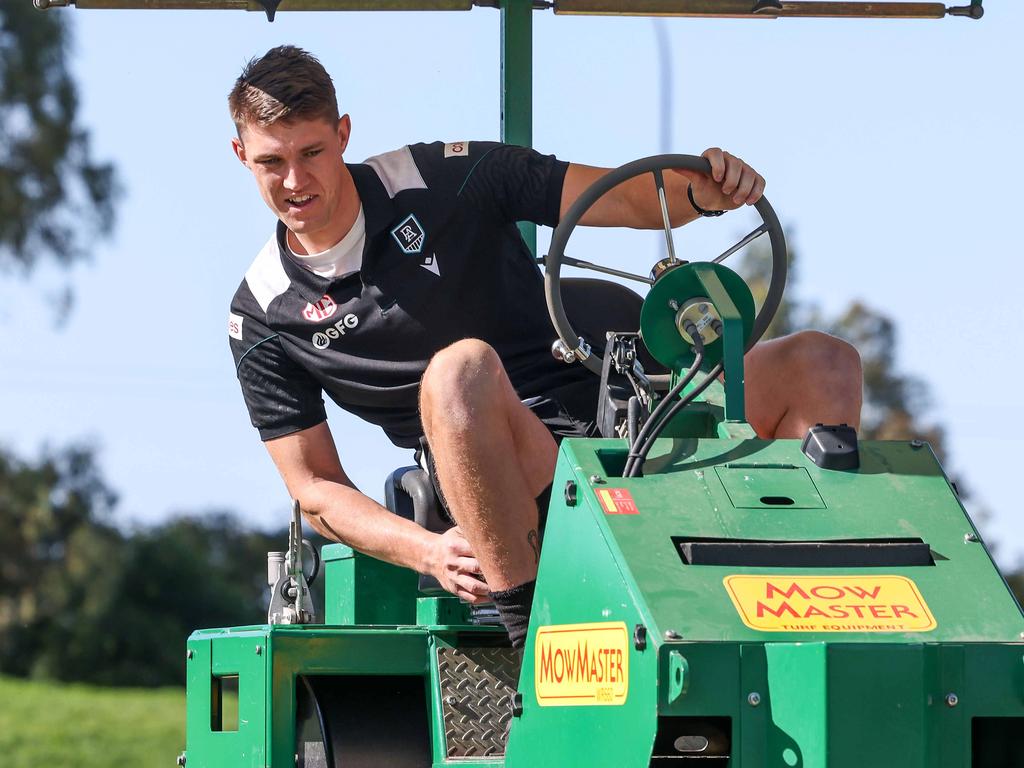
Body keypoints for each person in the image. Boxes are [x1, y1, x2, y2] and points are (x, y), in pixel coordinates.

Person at [226, 46, 862, 647]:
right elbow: (314, 485)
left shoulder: (442, 176)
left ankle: (802, 614)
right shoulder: (262, 313)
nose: (295, 180)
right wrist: (425, 550)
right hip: (506, 470)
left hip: (629, 420)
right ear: (240, 156)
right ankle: (531, 639)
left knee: (823, 361)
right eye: (271, 163)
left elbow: (614, 193)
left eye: (311, 152)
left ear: (343, 134)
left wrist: (701, 190)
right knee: (459, 369)